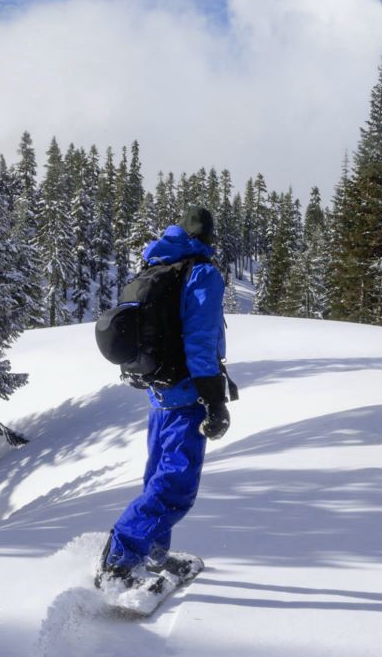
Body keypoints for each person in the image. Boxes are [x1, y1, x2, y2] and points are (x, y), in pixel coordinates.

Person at [95, 206, 232, 590]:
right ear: (206, 238)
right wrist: (214, 400)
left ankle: (152, 555)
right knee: (175, 489)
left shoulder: (157, 267)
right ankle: (120, 563)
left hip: (159, 394)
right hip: (186, 395)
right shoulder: (201, 273)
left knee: (159, 477)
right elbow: (200, 342)